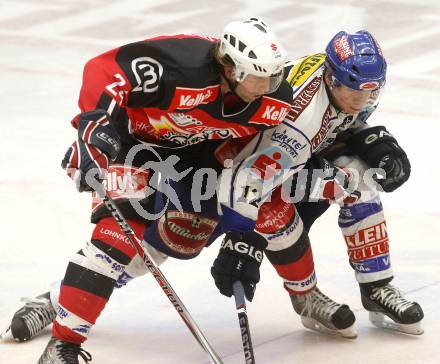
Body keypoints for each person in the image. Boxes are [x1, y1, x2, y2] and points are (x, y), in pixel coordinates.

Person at [8, 17, 293, 364]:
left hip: (197, 156)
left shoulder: (275, 100)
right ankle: (63, 345)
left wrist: (240, 222)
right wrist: (92, 127)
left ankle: (56, 299)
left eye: (275, 75)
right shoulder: (180, 65)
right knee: (116, 238)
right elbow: (102, 69)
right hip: (132, 144)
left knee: (178, 237)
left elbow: (255, 153)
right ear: (231, 69)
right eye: (261, 76)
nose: (271, 85)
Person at [211, 30, 424, 338]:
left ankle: (377, 289)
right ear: (332, 80)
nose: (361, 101)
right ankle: (306, 295)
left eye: (370, 93)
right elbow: (246, 179)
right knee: (273, 213)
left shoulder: (333, 76)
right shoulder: (302, 121)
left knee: (360, 181)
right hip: (234, 170)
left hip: (287, 156)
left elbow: (340, 123)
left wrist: (373, 139)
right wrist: (239, 239)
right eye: (353, 94)